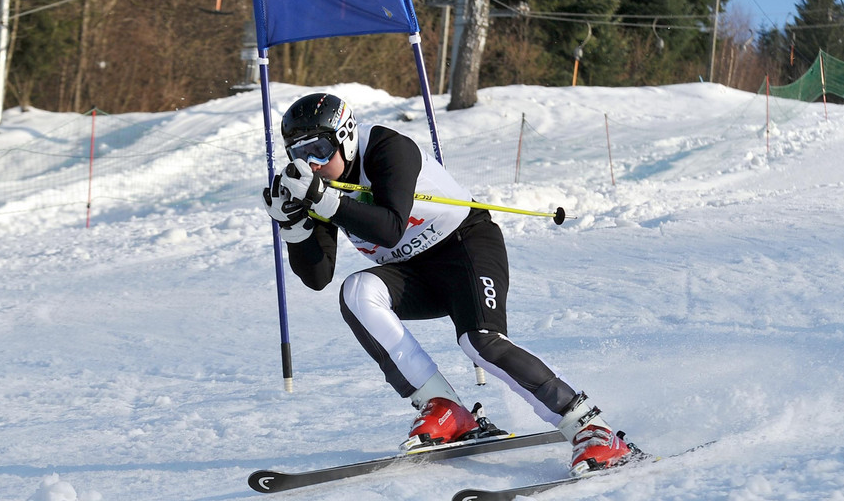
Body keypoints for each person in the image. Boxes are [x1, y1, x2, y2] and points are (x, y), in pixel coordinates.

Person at [262, 92, 642, 476]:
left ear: (345, 137)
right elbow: (317, 277)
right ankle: (445, 408)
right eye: (299, 154)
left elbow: (391, 228)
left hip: (465, 245)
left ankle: (591, 427)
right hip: (414, 272)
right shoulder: (321, 187)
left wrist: (323, 202)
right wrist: (294, 227)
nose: (311, 163)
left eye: (320, 149)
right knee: (356, 291)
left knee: (479, 341)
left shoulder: (387, 147)